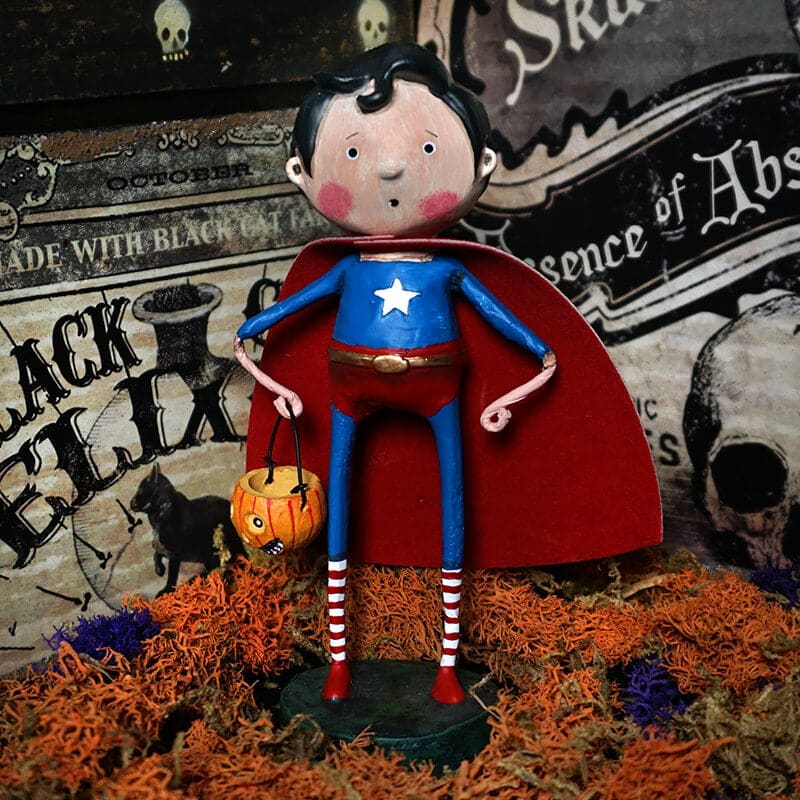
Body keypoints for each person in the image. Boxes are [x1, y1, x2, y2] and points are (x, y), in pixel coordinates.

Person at [235, 42, 556, 704]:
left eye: (427, 149)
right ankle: (339, 661)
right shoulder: (346, 269)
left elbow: (518, 332)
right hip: (349, 386)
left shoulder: (448, 268)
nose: (388, 167)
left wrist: (527, 376)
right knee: (338, 512)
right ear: (301, 172)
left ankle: (447, 665)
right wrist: (266, 367)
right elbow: (270, 323)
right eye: (352, 152)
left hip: (438, 386)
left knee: (454, 509)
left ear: (484, 165)